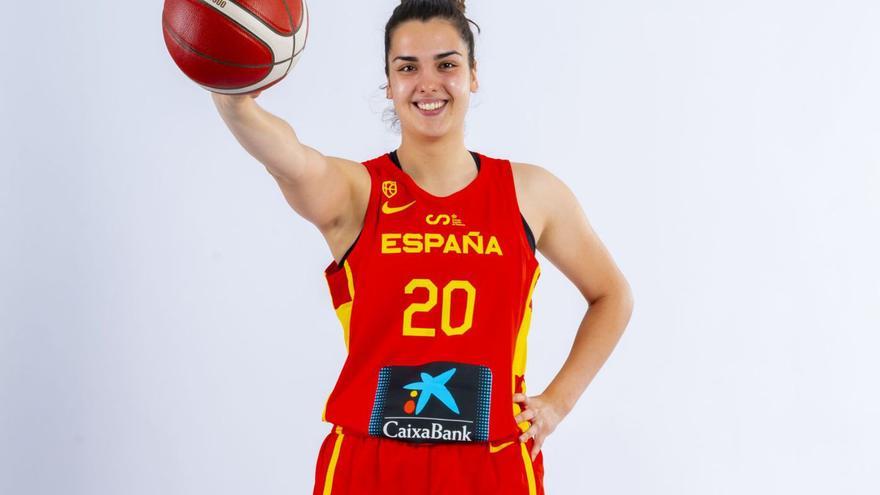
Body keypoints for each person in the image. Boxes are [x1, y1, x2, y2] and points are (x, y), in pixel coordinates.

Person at [212, 1, 634, 493]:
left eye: (447, 64)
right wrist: (234, 97)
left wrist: (558, 402)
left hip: (491, 459)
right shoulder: (357, 192)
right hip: (370, 460)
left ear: (473, 75)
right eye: (407, 67)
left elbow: (612, 295)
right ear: (388, 83)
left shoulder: (530, 193)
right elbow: (290, 161)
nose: (427, 83)